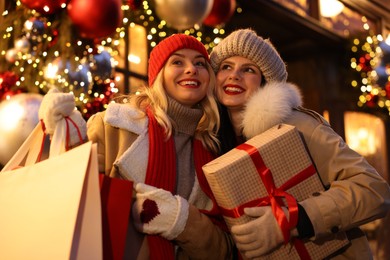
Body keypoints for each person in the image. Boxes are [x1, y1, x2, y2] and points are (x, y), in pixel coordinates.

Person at [38, 34, 237, 259]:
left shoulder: (215, 151)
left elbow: (225, 250)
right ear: (159, 75)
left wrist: (180, 220)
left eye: (200, 63)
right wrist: (65, 138)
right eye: (178, 62)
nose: (191, 69)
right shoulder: (112, 126)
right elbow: (71, 195)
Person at [209, 28, 390, 259]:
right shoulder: (213, 140)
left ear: (265, 82)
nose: (234, 75)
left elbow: (374, 189)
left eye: (248, 70)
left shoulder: (296, 125)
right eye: (226, 67)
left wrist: (295, 219)